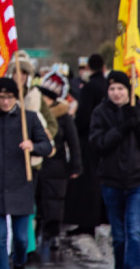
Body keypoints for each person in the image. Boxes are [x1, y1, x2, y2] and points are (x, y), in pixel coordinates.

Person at [0, 77, 53, 269]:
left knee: (21, 238)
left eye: (10, 97)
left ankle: (19, 263)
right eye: (1, 97)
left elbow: (47, 146)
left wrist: (32, 145)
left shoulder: (29, 118)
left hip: (21, 184)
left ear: (16, 98)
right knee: (0, 237)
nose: (6, 102)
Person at [89, 70, 140, 269]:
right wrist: (121, 129)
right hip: (111, 181)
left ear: (129, 90)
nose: (116, 93)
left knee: (134, 231)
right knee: (119, 235)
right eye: (112, 89)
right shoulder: (100, 112)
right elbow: (98, 144)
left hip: (139, 181)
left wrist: (137, 123)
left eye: (120, 88)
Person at [35, 72, 81, 261]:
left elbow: (73, 142)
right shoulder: (34, 113)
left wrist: (76, 166)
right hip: (39, 164)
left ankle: (53, 234)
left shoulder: (63, 116)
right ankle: (39, 229)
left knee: (55, 201)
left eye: (45, 96)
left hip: (57, 165)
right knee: (39, 200)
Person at [65, 53, 107, 237]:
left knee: (87, 182)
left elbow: (83, 116)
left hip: (89, 140)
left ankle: (87, 222)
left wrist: (75, 132)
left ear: (89, 68)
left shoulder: (89, 88)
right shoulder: (108, 85)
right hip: (106, 139)